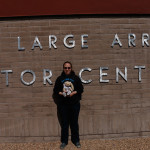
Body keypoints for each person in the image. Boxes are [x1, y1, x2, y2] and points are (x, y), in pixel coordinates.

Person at [53, 61, 84, 149]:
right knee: (65, 124)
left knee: (74, 123)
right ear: (63, 68)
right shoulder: (59, 79)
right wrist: (61, 93)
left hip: (74, 105)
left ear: (71, 68)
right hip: (63, 105)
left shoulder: (76, 78)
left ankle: (76, 140)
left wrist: (74, 92)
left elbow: (81, 89)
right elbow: (55, 91)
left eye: (68, 68)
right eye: (65, 68)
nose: (67, 69)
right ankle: (64, 141)